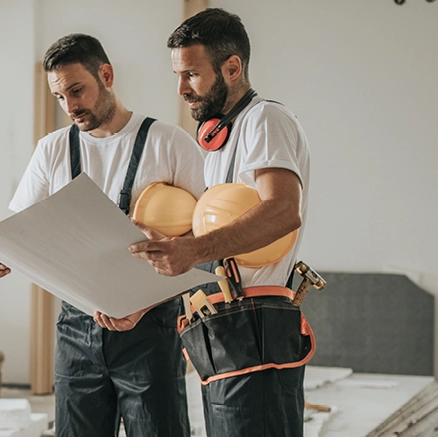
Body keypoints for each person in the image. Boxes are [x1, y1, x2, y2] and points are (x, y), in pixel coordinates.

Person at [0, 33, 205, 437]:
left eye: (76, 90)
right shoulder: (52, 149)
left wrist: (147, 294)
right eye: (60, 97)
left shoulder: (169, 143)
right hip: (75, 330)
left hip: (150, 329)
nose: (70, 107)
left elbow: (205, 244)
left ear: (106, 74)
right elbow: (20, 231)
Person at [129, 8, 314, 436]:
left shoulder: (265, 120)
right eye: (178, 75)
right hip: (224, 325)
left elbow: (284, 211)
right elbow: (219, 234)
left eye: (191, 75)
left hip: (257, 324)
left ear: (232, 67)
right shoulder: (220, 141)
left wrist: (192, 249)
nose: (181, 89)